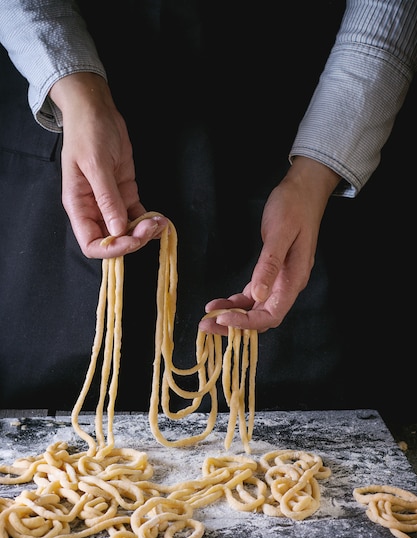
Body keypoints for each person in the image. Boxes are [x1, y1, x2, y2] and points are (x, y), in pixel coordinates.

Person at [0, 1, 416, 422]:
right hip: (70, 125)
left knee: (297, 401)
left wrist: (318, 170)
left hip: (297, 135)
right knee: (56, 398)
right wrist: (76, 93)